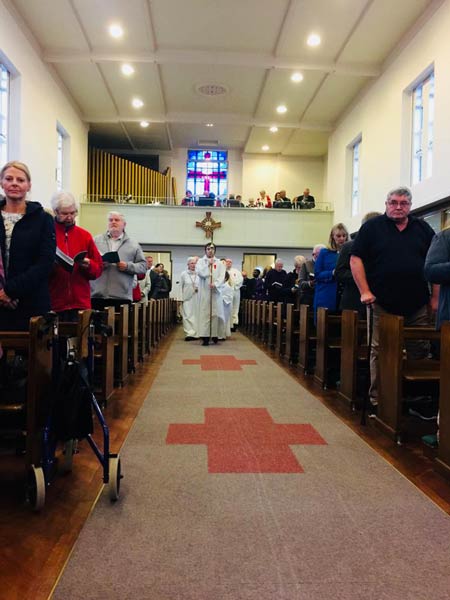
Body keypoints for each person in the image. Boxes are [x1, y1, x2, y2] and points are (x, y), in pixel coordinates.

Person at [350, 186, 438, 413]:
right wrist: (364, 291)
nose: (398, 207)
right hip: (381, 302)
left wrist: (435, 297)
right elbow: (355, 260)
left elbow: (434, 263)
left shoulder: (422, 228)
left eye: (403, 203)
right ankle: (379, 399)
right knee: (380, 351)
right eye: (394, 202)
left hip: (417, 302)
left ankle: (418, 399)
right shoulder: (372, 228)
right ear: (386, 204)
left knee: (420, 349)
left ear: (410, 206)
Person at [0, 161, 55, 331]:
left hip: (32, 301)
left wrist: (10, 291)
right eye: (9, 179)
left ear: (29, 185)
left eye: (20, 180)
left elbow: (45, 262)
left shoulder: (43, 219)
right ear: (1, 183)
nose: (14, 183)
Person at [49, 191, 103, 321]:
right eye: (64, 213)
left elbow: (98, 269)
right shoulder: (48, 233)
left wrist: (89, 265)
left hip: (80, 302)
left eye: (72, 213)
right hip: (54, 302)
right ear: (55, 212)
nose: (69, 217)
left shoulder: (85, 236)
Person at [90, 211, 147, 310]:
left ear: (124, 224)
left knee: (120, 320)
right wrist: (98, 264)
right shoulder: (96, 241)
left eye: (116, 220)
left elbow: (143, 266)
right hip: (97, 295)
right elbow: (88, 262)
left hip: (122, 297)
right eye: (110, 220)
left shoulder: (133, 244)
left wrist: (127, 266)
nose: (113, 222)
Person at [335, 212, 381, 318]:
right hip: (354, 302)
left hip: (379, 303)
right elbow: (340, 272)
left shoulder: (385, 247)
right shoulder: (349, 246)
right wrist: (362, 276)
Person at [313, 223, 349, 319]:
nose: (342, 238)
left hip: (345, 296)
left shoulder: (350, 252)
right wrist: (332, 273)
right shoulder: (324, 253)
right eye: (338, 236)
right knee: (325, 324)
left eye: (344, 235)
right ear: (332, 237)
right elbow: (317, 274)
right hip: (327, 295)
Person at [195, 242, 226, 345]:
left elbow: (222, 276)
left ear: (215, 250)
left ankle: (215, 334)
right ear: (205, 250)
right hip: (204, 291)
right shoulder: (200, 261)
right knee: (205, 313)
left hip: (215, 292)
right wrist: (208, 265)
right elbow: (201, 273)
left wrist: (216, 284)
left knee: (215, 313)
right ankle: (205, 336)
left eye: (212, 248)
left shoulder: (219, 263)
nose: (210, 250)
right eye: (208, 249)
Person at [180, 256, 199, 340]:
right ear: (188, 264)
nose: (193, 265)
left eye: (195, 263)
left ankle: (197, 333)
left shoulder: (199, 274)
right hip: (187, 298)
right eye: (192, 263)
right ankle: (189, 333)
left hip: (198, 298)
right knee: (187, 316)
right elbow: (180, 286)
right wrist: (180, 299)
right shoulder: (184, 274)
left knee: (197, 316)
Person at [224, 258, 243, 331]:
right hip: (226, 292)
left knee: (235, 307)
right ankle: (227, 325)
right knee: (228, 308)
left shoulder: (236, 271)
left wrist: (234, 286)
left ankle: (234, 323)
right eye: (227, 262)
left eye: (230, 262)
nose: (228, 263)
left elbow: (240, 280)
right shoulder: (222, 271)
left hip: (235, 291)